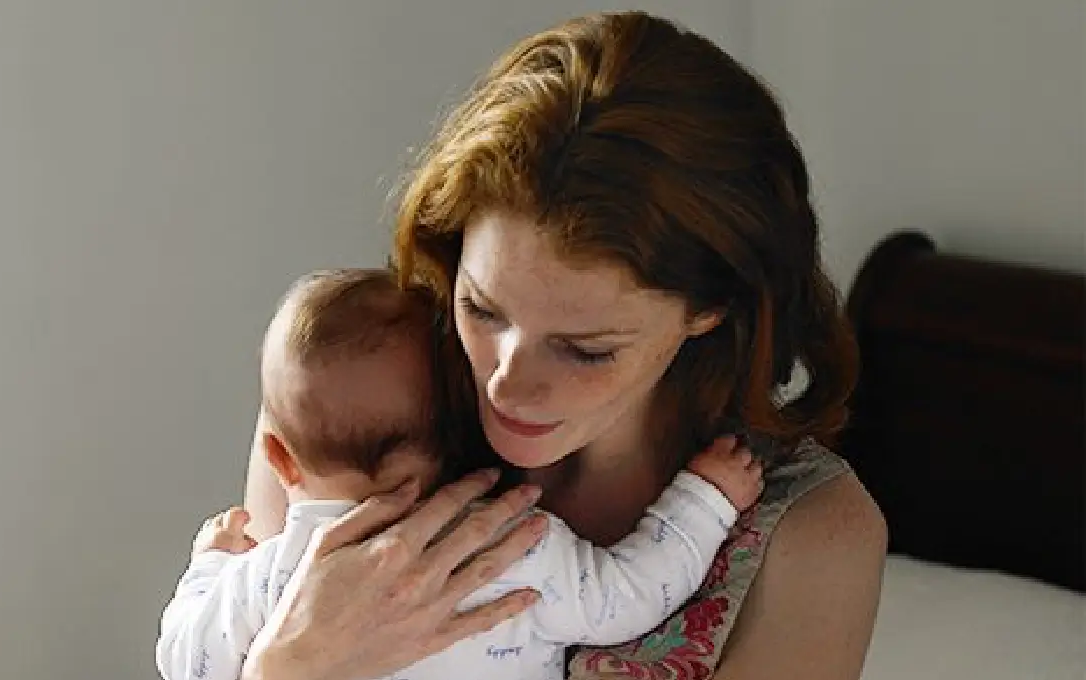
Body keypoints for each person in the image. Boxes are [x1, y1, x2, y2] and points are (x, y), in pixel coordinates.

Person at [236, 11, 887, 680]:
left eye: (584, 350)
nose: (505, 385)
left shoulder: (810, 536)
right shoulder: (353, 406)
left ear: (708, 309)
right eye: (482, 309)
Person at [156, 269, 763, 680]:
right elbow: (629, 598)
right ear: (461, 429)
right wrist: (705, 501)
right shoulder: (511, 546)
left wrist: (211, 565)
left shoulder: (267, 581)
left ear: (278, 457)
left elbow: (183, 659)